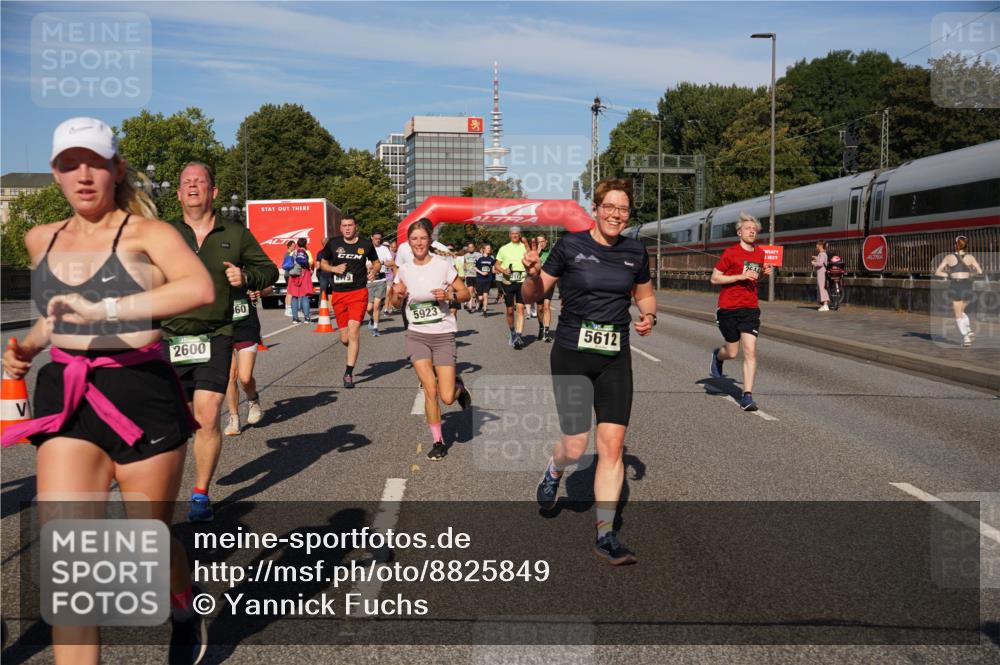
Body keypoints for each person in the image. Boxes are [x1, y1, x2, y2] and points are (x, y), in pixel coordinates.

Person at [1, 117, 215, 664]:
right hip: (69, 395)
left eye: (94, 162)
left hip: (140, 391)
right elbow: (56, 318)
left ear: (116, 169)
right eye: (69, 164)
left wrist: (111, 309)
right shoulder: (40, 237)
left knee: (148, 538)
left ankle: (182, 602)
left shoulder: (150, 234)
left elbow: (198, 287)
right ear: (54, 174)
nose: (83, 175)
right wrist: (27, 347)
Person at [521, 178, 656, 566]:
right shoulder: (570, 246)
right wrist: (531, 274)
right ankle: (554, 469)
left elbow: (643, 292)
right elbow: (535, 294)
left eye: (624, 209)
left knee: (611, 446)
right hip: (572, 354)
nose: (616, 214)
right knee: (577, 445)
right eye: (610, 207)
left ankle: (605, 534)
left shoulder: (635, 251)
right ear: (595, 208)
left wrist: (649, 314)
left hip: (615, 356)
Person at [163, 162, 279, 522]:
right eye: (186, 182)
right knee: (169, 425)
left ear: (212, 191)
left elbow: (270, 271)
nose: (193, 186)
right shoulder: (163, 233)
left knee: (209, 414)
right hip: (167, 338)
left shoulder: (236, 233)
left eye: (200, 181)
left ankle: (200, 493)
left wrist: (245, 276)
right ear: (179, 193)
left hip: (215, 335)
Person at [388, 218, 472, 461]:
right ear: (409, 243)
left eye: (423, 238)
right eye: (414, 239)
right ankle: (438, 441)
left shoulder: (443, 265)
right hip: (417, 336)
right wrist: (397, 295)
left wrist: (449, 295)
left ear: (429, 240)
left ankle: (458, 387)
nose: (419, 243)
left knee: (446, 397)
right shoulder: (404, 270)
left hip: (443, 335)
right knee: (430, 390)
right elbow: (394, 304)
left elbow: (465, 293)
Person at [709, 212, 773, 412]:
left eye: (754, 229)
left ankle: (747, 396)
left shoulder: (760, 254)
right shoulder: (730, 253)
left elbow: (755, 279)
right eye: (748, 228)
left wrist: (763, 273)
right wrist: (739, 276)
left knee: (750, 350)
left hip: (750, 308)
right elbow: (715, 279)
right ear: (739, 232)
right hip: (728, 308)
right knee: (732, 351)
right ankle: (718, 356)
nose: (752, 231)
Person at [320, 217, 381, 388]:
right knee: (345, 338)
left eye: (350, 225)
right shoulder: (333, 243)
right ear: (340, 228)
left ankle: (348, 373)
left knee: (354, 332)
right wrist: (333, 269)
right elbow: (322, 263)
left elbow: (376, 263)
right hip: (339, 294)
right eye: (344, 226)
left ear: (356, 227)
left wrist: (374, 271)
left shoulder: (365, 244)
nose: (347, 229)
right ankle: (350, 349)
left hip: (358, 293)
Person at [224, 286, 272, 436]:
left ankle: (253, 399)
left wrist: (260, 292)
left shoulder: (247, 267)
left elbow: (268, 285)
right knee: (230, 375)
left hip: (246, 326)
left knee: (245, 378)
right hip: (222, 328)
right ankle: (234, 418)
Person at [934, 235, 984, 347]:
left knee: (957, 314)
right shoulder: (971, 257)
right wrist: (970, 273)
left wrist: (948, 274)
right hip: (968, 285)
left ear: (955, 245)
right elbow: (980, 271)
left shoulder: (948, 257)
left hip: (956, 285)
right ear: (965, 245)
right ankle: (969, 330)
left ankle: (966, 337)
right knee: (961, 311)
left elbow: (937, 272)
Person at [495, 226, 530, 349]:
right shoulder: (504, 249)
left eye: (517, 233)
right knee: (510, 311)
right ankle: (512, 332)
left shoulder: (525, 248)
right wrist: (504, 270)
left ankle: (518, 336)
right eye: (512, 233)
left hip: (522, 282)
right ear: (509, 235)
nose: (515, 235)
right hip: (508, 282)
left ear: (520, 235)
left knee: (520, 309)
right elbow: (496, 265)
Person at [366, 229, 394, 336]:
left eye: (379, 239)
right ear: (371, 237)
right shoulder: (367, 248)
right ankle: (372, 318)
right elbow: (365, 263)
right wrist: (368, 266)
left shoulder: (384, 249)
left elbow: (391, 262)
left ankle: (376, 328)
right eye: (376, 238)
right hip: (370, 280)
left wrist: (382, 262)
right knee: (369, 308)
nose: (378, 240)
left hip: (382, 279)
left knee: (376, 306)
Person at [288, 237, 313, 324]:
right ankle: (306, 318)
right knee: (304, 296)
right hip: (304, 274)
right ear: (305, 244)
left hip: (294, 275)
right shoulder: (307, 252)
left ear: (297, 244)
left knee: (294, 296)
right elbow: (311, 262)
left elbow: (289, 263)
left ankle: (295, 318)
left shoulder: (292, 252)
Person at [536, 235, 555, 342]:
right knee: (539, 308)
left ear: (546, 242)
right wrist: (537, 252)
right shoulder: (534, 253)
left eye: (543, 241)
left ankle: (547, 333)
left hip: (549, 283)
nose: (541, 243)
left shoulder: (551, 253)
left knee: (547, 306)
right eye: (539, 242)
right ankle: (541, 327)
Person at [474, 243, 496, 317]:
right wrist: (481, 272)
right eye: (488, 248)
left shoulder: (492, 258)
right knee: (480, 298)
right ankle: (480, 303)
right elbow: (474, 267)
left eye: (490, 248)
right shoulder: (479, 258)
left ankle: (485, 311)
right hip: (479, 279)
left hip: (488, 279)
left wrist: (497, 271)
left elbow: (493, 270)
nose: (489, 249)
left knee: (485, 296)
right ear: (484, 249)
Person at [463, 241, 481, 312]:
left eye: (472, 247)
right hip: (469, 275)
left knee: (476, 292)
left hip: (477, 275)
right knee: (470, 291)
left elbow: (481, 264)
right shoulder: (465, 255)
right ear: (467, 248)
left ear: (474, 248)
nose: (471, 248)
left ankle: (478, 303)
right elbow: (464, 264)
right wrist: (465, 270)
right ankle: (470, 307)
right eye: (469, 247)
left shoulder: (478, 255)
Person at [811, 240, 829, 312]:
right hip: (822, 272)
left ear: (820, 246)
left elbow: (820, 264)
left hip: (821, 273)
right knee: (822, 287)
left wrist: (813, 263)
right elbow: (822, 261)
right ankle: (825, 304)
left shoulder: (822, 254)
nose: (816, 246)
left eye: (817, 245)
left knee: (822, 288)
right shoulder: (822, 254)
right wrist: (816, 258)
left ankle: (825, 305)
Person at [383, 238, 398, 315]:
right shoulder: (390, 254)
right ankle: (387, 308)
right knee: (389, 293)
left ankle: (388, 308)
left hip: (392, 277)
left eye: (395, 247)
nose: (393, 248)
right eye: (392, 247)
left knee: (389, 293)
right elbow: (386, 263)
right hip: (389, 276)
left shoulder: (395, 254)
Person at [315, 236, 332, 304]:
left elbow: (318, 266)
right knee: (336, 290)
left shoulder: (320, 253)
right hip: (333, 274)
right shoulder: (334, 252)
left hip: (323, 275)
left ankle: (321, 306)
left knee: (323, 291)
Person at [281, 240, 296, 317]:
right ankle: (288, 309)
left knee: (288, 292)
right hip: (289, 274)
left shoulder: (287, 253)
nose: (295, 247)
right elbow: (290, 265)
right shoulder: (289, 253)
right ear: (290, 246)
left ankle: (287, 308)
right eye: (293, 246)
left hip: (287, 274)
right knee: (290, 292)